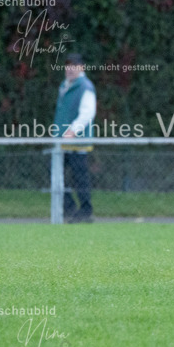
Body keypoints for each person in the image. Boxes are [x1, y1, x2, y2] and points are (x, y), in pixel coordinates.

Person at [54, 52, 96, 223]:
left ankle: (85, 211)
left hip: (77, 142)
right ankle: (70, 209)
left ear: (81, 68)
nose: (70, 69)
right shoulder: (65, 85)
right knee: (57, 175)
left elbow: (87, 113)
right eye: (68, 65)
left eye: (74, 66)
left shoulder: (85, 87)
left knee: (80, 177)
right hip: (62, 141)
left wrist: (72, 131)